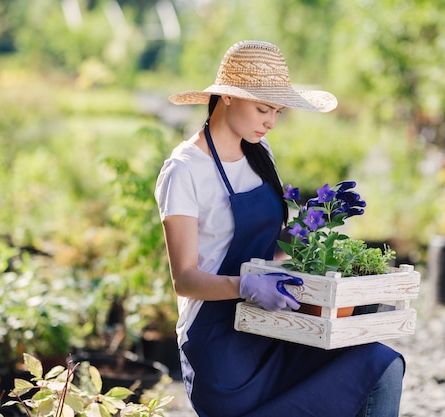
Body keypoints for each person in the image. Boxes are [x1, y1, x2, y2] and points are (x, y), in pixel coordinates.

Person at [155, 39, 405, 417]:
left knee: (380, 365)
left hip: (275, 323)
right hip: (220, 346)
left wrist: (311, 230)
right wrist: (245, 286)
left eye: (277, 111)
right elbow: (185, 279)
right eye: (262, 108)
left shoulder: (259, 153)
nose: (271, 121)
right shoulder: (184, 170)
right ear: (227, 97)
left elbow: (268, 250)